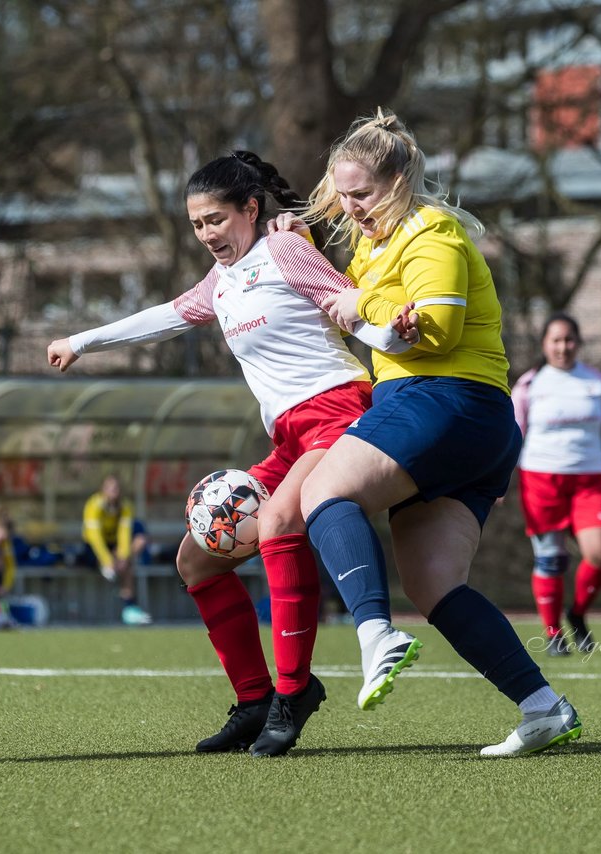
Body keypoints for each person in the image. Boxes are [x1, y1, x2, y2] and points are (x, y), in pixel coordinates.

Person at [46, 151, 415, 757]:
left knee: (277, 527)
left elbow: (347, 304)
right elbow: (165, 317)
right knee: (197, 559)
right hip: (289, 436)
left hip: (339, 413)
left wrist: (391, 334)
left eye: (216, 219)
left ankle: (294, 692)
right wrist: (82, 341)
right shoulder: (221, 283)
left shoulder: (284, 250)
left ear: (250, 209)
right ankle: (253, 700)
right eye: (196, 225)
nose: (207, 235)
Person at [279, 108, 582, 757]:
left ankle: (373, 633)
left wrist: (361, 304)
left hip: (444, 399)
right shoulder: (373, 244)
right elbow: (381, 323)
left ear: (397, 180)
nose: (352, 207)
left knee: (324, 493)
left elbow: (436, 332)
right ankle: (541, 706)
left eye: (361, 193)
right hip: (467, 419)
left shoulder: (432, 232)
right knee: (434, 579)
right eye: (344, 194)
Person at [511, 312, 601, 655]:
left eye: (569, 340)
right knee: (550, 559)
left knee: (599, 554)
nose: (563, 347)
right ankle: (554, 635)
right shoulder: (530, 384)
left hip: (589, 480)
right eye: (555, 340)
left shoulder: (596, 382)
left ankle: (578, 613)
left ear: (579, 343)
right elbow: (513, 435)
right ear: (544, 344)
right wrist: (497, 481)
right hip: (540, 479)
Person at [81, 474, 154, 626]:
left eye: (117, 488)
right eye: (110, 488)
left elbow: (124, 534)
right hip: (92, 548)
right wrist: (107, 561)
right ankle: (105, 568)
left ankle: (130, 609)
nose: (114, 491)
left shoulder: (125, 507)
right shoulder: (93, 506)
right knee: (105, 558)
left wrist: (122, 558)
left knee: (127, 565)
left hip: (112, 545)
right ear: (103, 490)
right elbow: (95, 538)